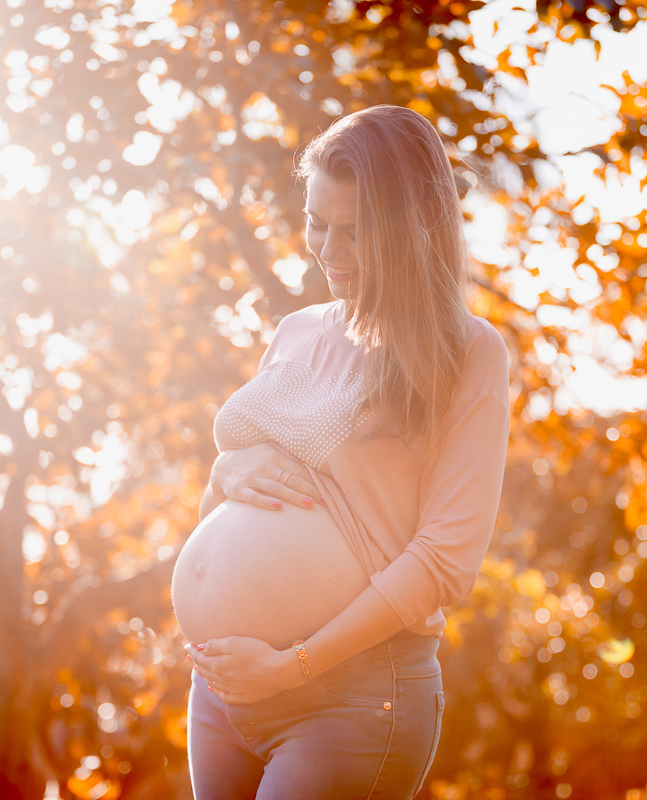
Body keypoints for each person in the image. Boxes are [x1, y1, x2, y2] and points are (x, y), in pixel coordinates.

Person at [171, 104, 510, 800]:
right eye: (317, 224)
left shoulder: (469, 354)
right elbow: (229, 503)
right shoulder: (295, 331)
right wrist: (224, 470)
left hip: (352, 700)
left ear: (414, 228)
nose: (328, 251)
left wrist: (292, 665)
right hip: (223, 693)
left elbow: (445, 560)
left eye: (355, 233)